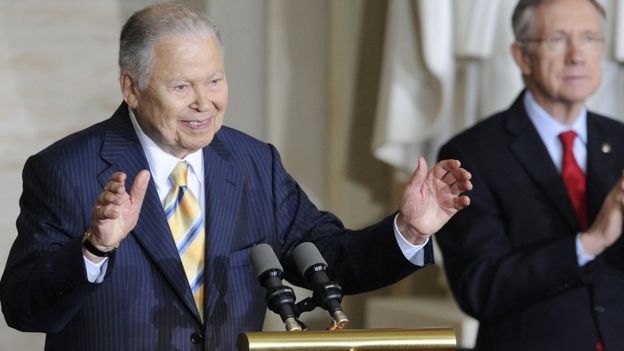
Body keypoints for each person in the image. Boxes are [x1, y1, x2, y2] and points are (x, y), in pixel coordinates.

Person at [0, 2, 472, 350]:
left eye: (215, 80)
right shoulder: (65, 170)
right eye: (182, 86)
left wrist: (408, 230)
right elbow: (23, 309)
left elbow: (332, 259)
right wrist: (95, 249)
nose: (205, 103)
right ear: (132, 88)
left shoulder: (252, 163)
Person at [436, 0, 624, 350]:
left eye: (589, 38)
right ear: (521, 56)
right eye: (557, 39)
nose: (577, 55)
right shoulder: (470, 155)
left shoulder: (620, 141)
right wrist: (589, 243)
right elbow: (479, 288)